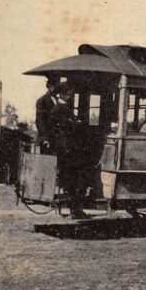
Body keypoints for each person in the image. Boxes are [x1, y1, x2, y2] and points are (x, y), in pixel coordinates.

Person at [50, 82, 89, 219]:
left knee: (73, 180)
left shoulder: (63, 108)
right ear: (62, 94)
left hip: (68, 149)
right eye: (69, 94)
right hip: (67, 150)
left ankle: (75, 209)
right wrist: (76, 124)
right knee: (74, 180)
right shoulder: (58, 109)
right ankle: (75, 210)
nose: (70, 96)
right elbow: (62, 130)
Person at [35, 77, 58, 154]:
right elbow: (39, 121)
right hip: (47, 138)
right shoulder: (41, 101)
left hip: (57, 137)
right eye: (53, 86)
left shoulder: (58, 100)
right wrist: (45, 137)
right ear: (48, 86)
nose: (54, 89)